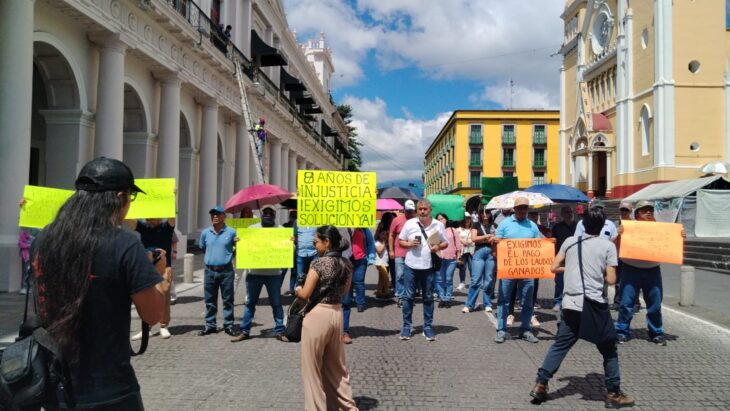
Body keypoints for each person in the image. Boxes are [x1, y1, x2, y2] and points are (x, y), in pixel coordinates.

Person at [30, 157, 167, 409]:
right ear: (119, 198)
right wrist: (155, 277)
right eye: (130, 197)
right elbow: (153, 314)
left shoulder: (43, 238)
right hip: (110, 388)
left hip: (54, 384)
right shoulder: (125, 244)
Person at [529, 207, 635, 409]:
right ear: (603, 226)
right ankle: (613, 393)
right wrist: (597, 272)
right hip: (593, 304)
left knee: (560, 345)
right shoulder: (607, 246)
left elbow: (554, 267)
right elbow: (612, 279)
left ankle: (540, 384)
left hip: (570, 304)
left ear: (583, 224)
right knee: (609, 349)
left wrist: (574, 268)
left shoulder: (570, 242)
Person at [294, 226, 358, 411]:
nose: (314, 245)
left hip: (317, 315)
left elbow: (305, 294)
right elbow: (345, 291)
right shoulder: (346, 263)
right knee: (336, 368)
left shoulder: (318, 264)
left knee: (312, 370)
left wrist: (298, 288)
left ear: (327, 242)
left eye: (316, 242)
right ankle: (347, 407)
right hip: (336, 314)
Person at [615, 200, 684, 346]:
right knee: (626, 303)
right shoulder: (628, 227)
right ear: (637, 214)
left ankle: (656, 333)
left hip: (652, 271)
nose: (648, 212)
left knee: (655, 304)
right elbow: (615, 246)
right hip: (630, 269)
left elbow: (671, 243)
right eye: (644, 210)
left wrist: (680, 236)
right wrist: (619, 235)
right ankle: (622, 331)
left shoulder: (661, 229)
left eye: (650, 210)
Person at [231, 206, 286, 342]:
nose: (268, 214)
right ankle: (245, 331)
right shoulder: (251, 229)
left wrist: (291, 243)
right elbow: (242, 248)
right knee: (250, 303)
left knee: (276, 303)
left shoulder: (281, 230)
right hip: (254, 273)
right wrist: (237, 242)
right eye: (265, 212)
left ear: (274, 214)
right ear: (261, 214)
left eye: (270, 212)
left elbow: (290, 251)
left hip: (274, 274)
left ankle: (280, 330)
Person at [398, 199, 448, 341]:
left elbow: (445, 242)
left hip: (428, 267)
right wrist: (409, 243)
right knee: (408, 297)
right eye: (420, 209)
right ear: (417, 210)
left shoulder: (438, 225)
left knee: (428, 297)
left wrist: (438, 247)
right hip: (410, 266)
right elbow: (400, 241)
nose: (422, 211)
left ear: (430, 210)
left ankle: (427, 327)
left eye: (425, 209)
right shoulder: (410, 223)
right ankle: (407, 327)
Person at [494, 197, 543, 344]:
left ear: (527, 209)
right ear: (514, 209)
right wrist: (495, 242)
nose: (522, 210)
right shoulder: (504, 224)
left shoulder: (533, 226)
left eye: (525, 208)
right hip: (508, 268)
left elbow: (539, 245)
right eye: (519, 207)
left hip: (527, 269)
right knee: (504, 300)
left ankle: (525, 329)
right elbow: (497, 243)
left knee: (527, 300)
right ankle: (501, 330)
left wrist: (549, 243)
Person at [127, 217, 176, 340]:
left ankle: (163, 326)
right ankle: (146, 328)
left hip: (164, 266)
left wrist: (170, 205)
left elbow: (172, 219)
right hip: (148, 266)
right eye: (148, 218)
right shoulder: (144, 227)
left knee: (164, 295)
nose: (149, 220)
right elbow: (130, 221)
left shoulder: (166, 227)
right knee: (146, 297)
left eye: (151, 218)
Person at [199, 205, 240, 337]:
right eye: (213, 214)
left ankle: (228, 325)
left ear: (224, 216)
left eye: (218, 214)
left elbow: (238, 250)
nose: (215, 216)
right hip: (209, 271)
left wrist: (238, 244)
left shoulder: (232, 232)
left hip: (226, 271)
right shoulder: (205, 233)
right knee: (209, 300)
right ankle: (210, 325)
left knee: (228, 300)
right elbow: (203, 247)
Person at [341, 227, 375, 344]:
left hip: (360, 259)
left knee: (358, 283)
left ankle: (345, 331)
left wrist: (371, 255)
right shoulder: (340, 226)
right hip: (342, 262)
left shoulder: (363, 228)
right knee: (338, 300)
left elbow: (370, 242)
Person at [463, 206, 496, 314]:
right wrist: (487, 236)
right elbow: (474, 239)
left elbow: (497, 238)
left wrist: (492, 238)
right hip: (479, 252)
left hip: (491, 253)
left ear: (490, 214)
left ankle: (487, 303)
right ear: (480, 214)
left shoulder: (494, 225)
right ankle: (469, 304)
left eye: (487, 212)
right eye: (483, 212)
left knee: (489, 279)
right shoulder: (476, 225)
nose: (485, 215)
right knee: (475, 279)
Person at [550, 206, 578, 312]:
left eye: (570, 211)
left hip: (575, 257)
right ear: (562, 214)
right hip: (561, 258)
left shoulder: (578, 226)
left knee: (574, 281)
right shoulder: (557, 227)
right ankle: (558, 302)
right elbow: (552, 242)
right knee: (560, 282)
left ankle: (572, 302)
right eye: (566, 212)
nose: (569, 214)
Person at [389, 200, 416, 307]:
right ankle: (400, 296)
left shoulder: (417, 220)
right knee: (400, 275)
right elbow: (391, 235)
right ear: (404, 209)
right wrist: (391, 250)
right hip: (399, 252)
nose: (410, 212)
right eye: (408, 210)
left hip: (413, 253)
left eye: (411, 210)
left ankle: (409, 296)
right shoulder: (397, 220)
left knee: (411, 277)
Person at [435, 213, 462, 308]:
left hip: (451, 258)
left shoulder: (452, 230)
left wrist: (458, 256)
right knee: (440, 279)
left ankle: (448, 298)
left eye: (442, 218)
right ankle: (442, 298)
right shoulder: (435, 230)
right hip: (439, 258)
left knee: (448, 279)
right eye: (438, 219)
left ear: (446, 219)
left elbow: (458, 244)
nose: (440, 220)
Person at [527, 210, 552, 309]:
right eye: (532, 215)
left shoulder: (542, 228)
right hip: (525, 258)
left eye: (535, 215)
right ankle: (519, 300)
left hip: (537, 259)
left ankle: (533, 300)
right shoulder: (525, 227)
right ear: (528, 216)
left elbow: (549, 238)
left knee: (535, 281)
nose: (534, 216)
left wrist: (549, 234)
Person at [291, 219, 318, 296]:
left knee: (315, 276)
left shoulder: (317, 220)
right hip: (301, 254)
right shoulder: (297, 221)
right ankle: (299, 297)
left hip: (314, 253)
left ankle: (313, 296)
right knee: (300, 278)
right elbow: (294, 236)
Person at [457, 212, 474, 291]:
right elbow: (456, 238)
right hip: (462, 250)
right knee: (462, 267)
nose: (467, 220)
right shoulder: (459, 229)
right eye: (465, 218)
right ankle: (462, 282)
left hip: (472, 250)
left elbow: (476, 237)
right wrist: (462, 241)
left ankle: (473, 282)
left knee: (472, 267)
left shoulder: (473, 229)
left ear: (470, 219)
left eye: (468, 218)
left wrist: (471, 241)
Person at [373, 224, 391, 300]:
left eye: (386, 235)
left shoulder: (384, 243)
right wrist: (384, 243)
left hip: (384, 263)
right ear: (379, 234)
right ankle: (386, 293)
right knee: (386, 278)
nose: (384, 236)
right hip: (379, 263)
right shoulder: (377, 243)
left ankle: (379, 293)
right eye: (383, 234)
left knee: (381, 279)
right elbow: (379, 252)